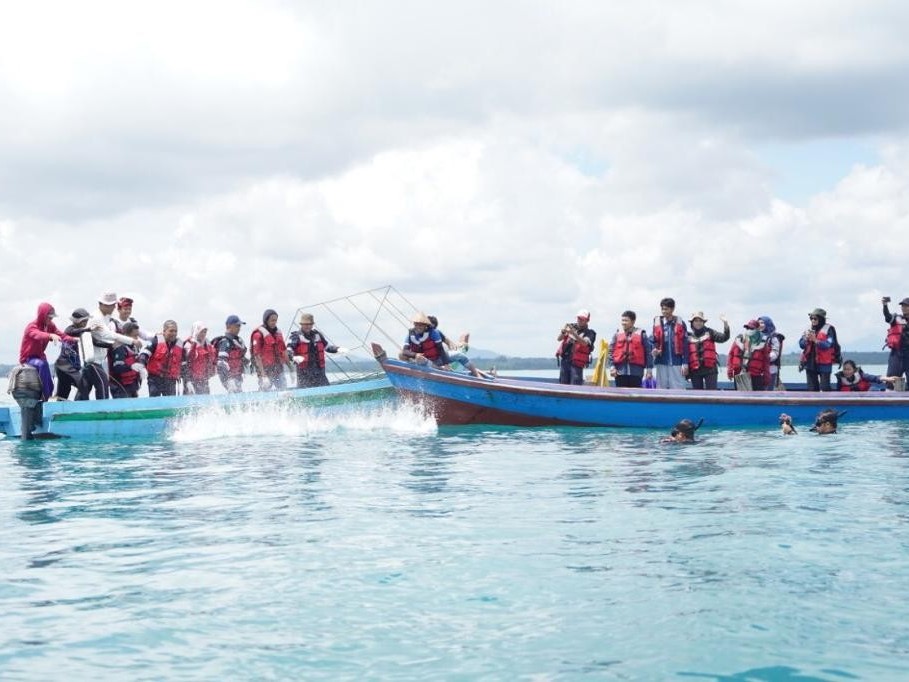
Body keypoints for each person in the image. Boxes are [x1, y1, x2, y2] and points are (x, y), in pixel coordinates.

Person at [85, 292, 144, 400]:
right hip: (93, 361)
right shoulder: (97, 318)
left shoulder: (106, 317)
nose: (114, 308)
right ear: (105, 305)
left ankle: (79, 410)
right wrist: (132, 341)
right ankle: (102, 413)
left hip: (98, 360)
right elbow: (109, 334)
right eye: (113, 305)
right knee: (102, 385)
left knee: (85, 389)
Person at [18, 302, 74, 401]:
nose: (51, 319)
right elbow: (37, 335)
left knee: (49, 382)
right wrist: (50, 336)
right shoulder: (31, 327)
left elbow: (61, 335)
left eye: (52, 318)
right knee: (42, 365)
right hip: (27, 359)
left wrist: (73, 339)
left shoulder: (50, 325)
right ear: (43, 315)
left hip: (40, 356)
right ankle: (43, 397)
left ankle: (48, 396)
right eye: (50, 317)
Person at [287, 313, 341, 388]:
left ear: (312, 324)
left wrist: (338, 349)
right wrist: (293, 358)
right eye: (305, 324)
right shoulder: (295, 337)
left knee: (326, 390)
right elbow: (289, 350)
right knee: (305, 391)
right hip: (304, 374)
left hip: (320, 373)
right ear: (301, 324)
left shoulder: (318, 335)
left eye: (310, 324)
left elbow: (327, 347)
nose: (308, 326)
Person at [54, 308, 92, 401]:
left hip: (70, 366)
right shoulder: (69, 330)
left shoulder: (81, 332)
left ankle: (74, 406)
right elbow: (73, 332)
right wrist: (89, 329)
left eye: (87, 321)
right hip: (63, 365)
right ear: (77, 321)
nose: (86, 323)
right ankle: (81, 407)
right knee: (83, 384)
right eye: (84, 321)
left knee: (64, 392)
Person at [608, 310, 653, 388]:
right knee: (620, 395)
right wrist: (612, 367)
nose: (623, 323)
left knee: (636, 396)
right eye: (622, 320)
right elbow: (610, 351)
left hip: (636, 373)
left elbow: (648, 352)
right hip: (620, 372)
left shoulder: (642, 334)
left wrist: (649, 370)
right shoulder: (617, 335)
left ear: (633, 321)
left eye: (626, 320)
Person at [139, 320, 184, 397]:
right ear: (164, 331)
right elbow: (144, 354)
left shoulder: (180, 345)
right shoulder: (156, 341)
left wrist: (187, 381)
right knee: (154, 401)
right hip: (155, 379)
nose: (173, 334)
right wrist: (142, 367)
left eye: (175, 331)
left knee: (170, 403)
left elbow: (184, 364)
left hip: (170, 380)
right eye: (171, 331)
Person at [686, 311, 730, 390]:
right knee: (697, 396)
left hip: (710, 370)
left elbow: (724, 337)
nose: (698, 323)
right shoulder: (688, 336)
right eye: (696, 321)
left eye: (700, 321)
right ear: (692, 323)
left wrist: (725, 323)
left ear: (703, 322)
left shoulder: (710, 332)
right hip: (695, 371)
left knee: (712, 394)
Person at [250, 309, 292, 390]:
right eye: (272, 320)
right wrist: (263, 375)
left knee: (284, 391)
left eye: (276, 320)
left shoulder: (278, 333)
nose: (274, 322)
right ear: (266, 320)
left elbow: (284, 351)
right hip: (265, 371)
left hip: (278, 369)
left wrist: (291, 368)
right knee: (264, 393)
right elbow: (257, 356)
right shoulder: (258, 335)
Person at [652, 298, 689, 389]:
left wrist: (685, 363)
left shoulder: (680, 323)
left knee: (678, 388)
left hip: (677, 363)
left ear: (672, 309)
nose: (664, 311)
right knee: (660, 388)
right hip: (661, 362)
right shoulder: (657, 324)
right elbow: (653, 340)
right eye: (662, 309)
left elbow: (685, 344)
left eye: (666, 309)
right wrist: (654, 349)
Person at [798, 308, 838, 392]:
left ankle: (828, 404)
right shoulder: (808, 329)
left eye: (815, 318)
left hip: (824, 363)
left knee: (825, 387)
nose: (813, 320)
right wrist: (806, 339)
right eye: (811, 318)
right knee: (812, 388)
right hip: (810, 362)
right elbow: (801, 345)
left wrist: (815, 340)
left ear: (821, 319)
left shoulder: (829, 329)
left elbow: (828, 344)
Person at [555, 309, 596, 385]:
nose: (579, 320)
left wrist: (573, 334)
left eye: (582, 319)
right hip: (565, 362)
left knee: (575, 385)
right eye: (578, 318)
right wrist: (563, 331)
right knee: (563, 385)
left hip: (577, 364)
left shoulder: (590, 333)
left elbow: (584, 343)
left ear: (587, 320)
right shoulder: (571, 327)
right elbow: (559, 339)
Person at [727, 320, 768, 391]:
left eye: (752, 328)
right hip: (739, 375)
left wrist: (766, 375)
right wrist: (729, 370)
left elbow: (766, 360)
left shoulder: (763, 343)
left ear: (757, 329)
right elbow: (731, 355)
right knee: (740, 398)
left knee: (757, 398)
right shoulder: (739, 340)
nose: (749, 330)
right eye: (747, 328)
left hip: (756, 376)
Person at [110, 322, 146, 398]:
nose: (137, 339)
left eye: (137, 336)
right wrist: (131, 367)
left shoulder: (134, 347)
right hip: (121, 387)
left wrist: (142, 369)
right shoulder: (120, 348)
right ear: (126, 335)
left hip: (133, 386)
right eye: (135, 336)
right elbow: (117, 368)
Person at [182, 321, 217, 394]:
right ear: (196, 331)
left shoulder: (207, 344)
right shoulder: (188, 344)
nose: (203, 334)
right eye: (201, 332)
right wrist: (188, 381)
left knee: (206, 402)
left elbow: (213, 359)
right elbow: (186, 364)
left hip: (204, 380)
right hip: (191, 381)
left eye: (205, 332)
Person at [216, 315, 248, 393]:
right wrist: (229, 380)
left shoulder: (238, 341)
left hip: (237, 377)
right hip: (229, 378)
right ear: (229, 326)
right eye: (237, 326)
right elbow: (221, 363)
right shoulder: (225, 342)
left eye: (239, 326)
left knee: (238, 396)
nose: (239, 328)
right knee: (235, 396)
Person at [882, 296, 909, 384]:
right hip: (897, 353)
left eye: (906, 306)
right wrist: (885, 305)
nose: (904, 308)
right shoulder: (897, 318)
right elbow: (888, 317)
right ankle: (891, 395)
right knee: (892, 380)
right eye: (902, 306)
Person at [759, 316, 785, 391]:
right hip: (758, 369)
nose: (760, 325)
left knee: (768, 390)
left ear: (768, 324)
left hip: (770, 369)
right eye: (759, 323)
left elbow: (775, 352)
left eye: (762, 323)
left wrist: (766, 358)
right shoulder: (757, 336)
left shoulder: (773, 337)